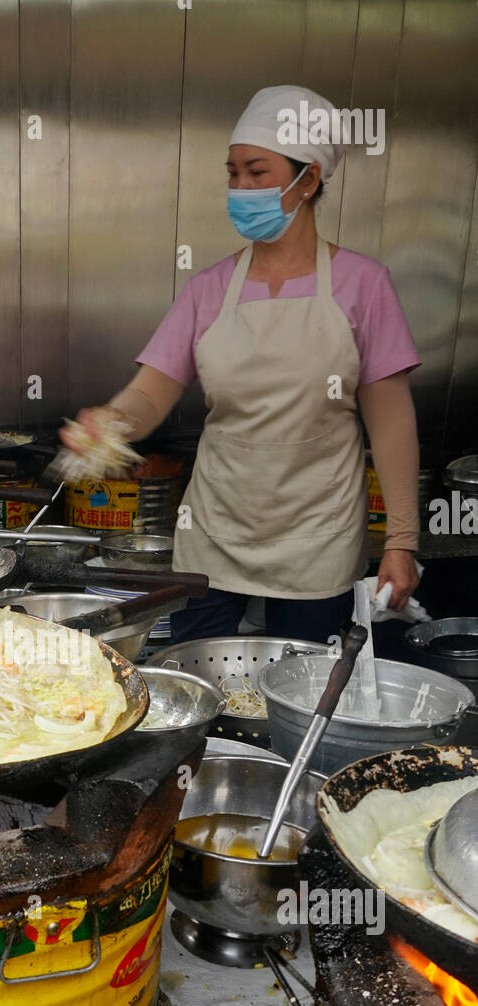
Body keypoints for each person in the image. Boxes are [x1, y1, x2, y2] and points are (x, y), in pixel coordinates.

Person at [60, 85, 421, 644]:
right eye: (232, 174)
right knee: (197, 679)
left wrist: (402, 541)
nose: (240, 189)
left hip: (317, 539)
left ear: (310, 179)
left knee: (301, 690)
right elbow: (151, 394)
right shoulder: (208, 288)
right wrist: (106, 425)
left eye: (257, 172)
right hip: (214, 531)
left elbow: (391, 422)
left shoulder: (362, 285)